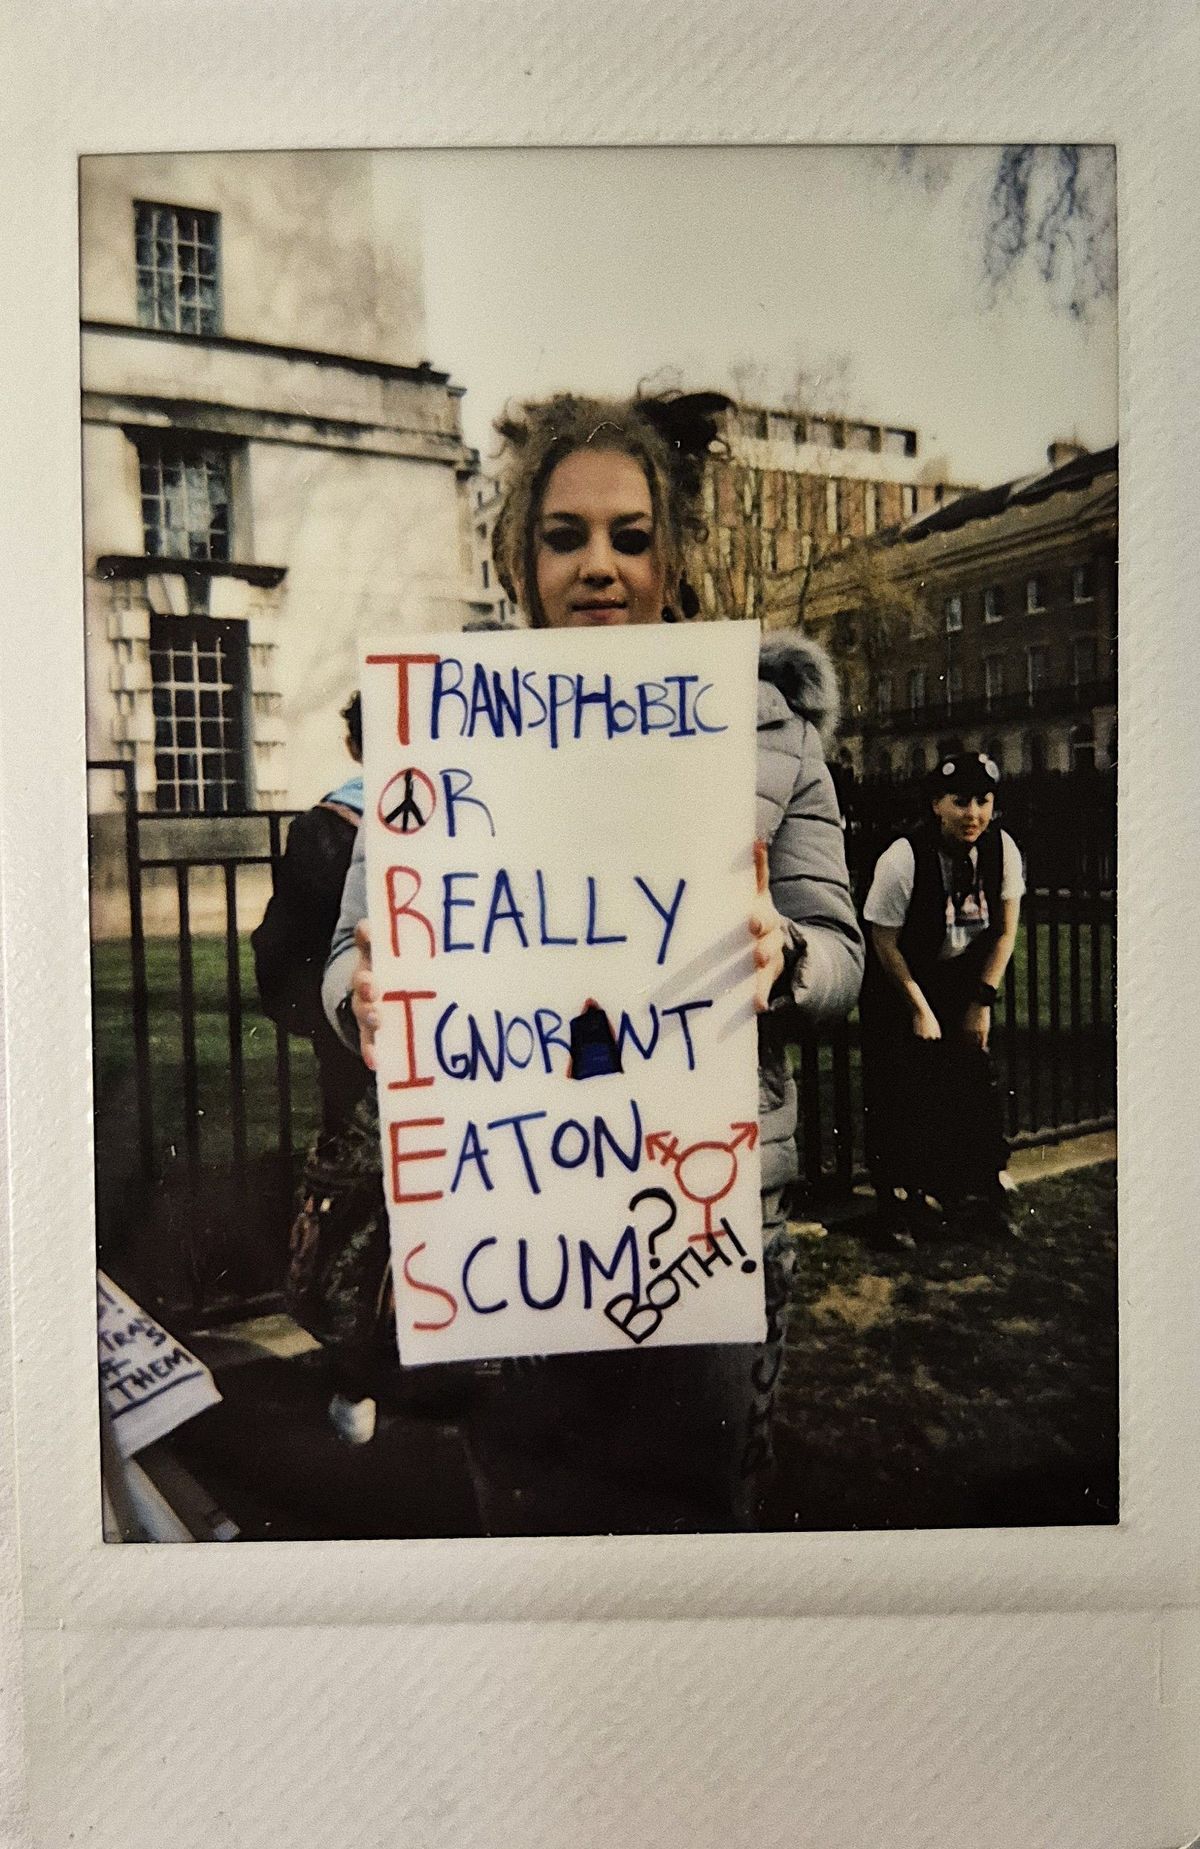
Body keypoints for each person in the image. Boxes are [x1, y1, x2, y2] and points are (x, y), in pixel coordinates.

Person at [322, 390, 864, 1529]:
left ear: (673, 560)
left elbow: (842, 956)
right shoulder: (441, 734)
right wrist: (359, 995)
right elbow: (350, 946)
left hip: (703, 1227)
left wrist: (789, 953)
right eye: (565, 536)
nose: (600, 567)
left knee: (701, 1547)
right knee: (531, 1551)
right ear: (519, 560)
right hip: (506, 1218)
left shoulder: (772, 737)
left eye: (631, 536)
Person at [251, 695, 379, 1444]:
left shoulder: (323, 829)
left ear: (353, 742)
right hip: (448, 1053)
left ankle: (359, 1382)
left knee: (362, 1218)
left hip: (355, 1056)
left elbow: (281, 950)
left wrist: (317, 1020)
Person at [860, 749, 1024, 1241]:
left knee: (972, 1086)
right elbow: (884, 941)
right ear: (936, 805)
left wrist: (982, 1001)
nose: (972, 813)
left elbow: (1004, 933)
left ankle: (973, 1195)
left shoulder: (1002, 849)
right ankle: (898, 1205)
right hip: (901, 980)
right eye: (959, 801)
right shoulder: (904, 857)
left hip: (958, 981)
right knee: (903, 1092)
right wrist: (918, 1008)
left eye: (982, 800)